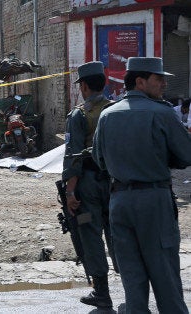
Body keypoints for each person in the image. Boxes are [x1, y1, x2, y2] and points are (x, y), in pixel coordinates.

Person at [93, 57, 191, 313]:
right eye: (159, 79)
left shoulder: (107, 115)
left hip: (120, 202)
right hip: (153, 200)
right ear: (140, 81)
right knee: (166, 279)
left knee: (132, 283)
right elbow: (186, 155)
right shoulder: (162, 113)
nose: (164, 84)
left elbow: (99, 160)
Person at [63, 61, 116, 309]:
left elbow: (73, 157)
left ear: (83, 86)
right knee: (117, 233)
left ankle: (102, 292)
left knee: (90, 234)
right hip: (115, 185)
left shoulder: (79, 115)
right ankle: (133, 285)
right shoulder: (116, 110)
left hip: (88, 187)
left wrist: (70, 191)